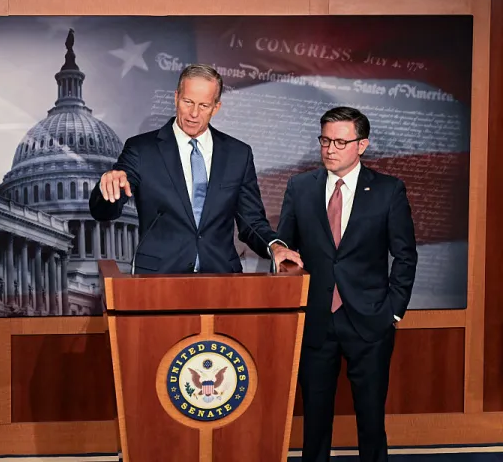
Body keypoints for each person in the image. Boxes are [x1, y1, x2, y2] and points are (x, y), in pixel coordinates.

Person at [276, 106, 418, 462]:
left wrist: (393, 313)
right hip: (315, 323)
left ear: (362, 145)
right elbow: (285, 251)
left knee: (371, 423)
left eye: (340, 141)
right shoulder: (299, 187)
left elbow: (405, 256)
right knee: (315, 425)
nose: (330, 149)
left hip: (370, 322)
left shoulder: (388, 191)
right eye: (325, 140)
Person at [89, 63, 302, 274]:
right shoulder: (141, 149)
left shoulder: (238, 154)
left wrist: (273, 245)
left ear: (216, 107)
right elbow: (105, 212)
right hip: (157, 282)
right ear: (176, 97)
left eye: (203, 106)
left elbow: (251, 220)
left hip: (221, 280)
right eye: (188, 102)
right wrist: (107, 189)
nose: (193, 113)